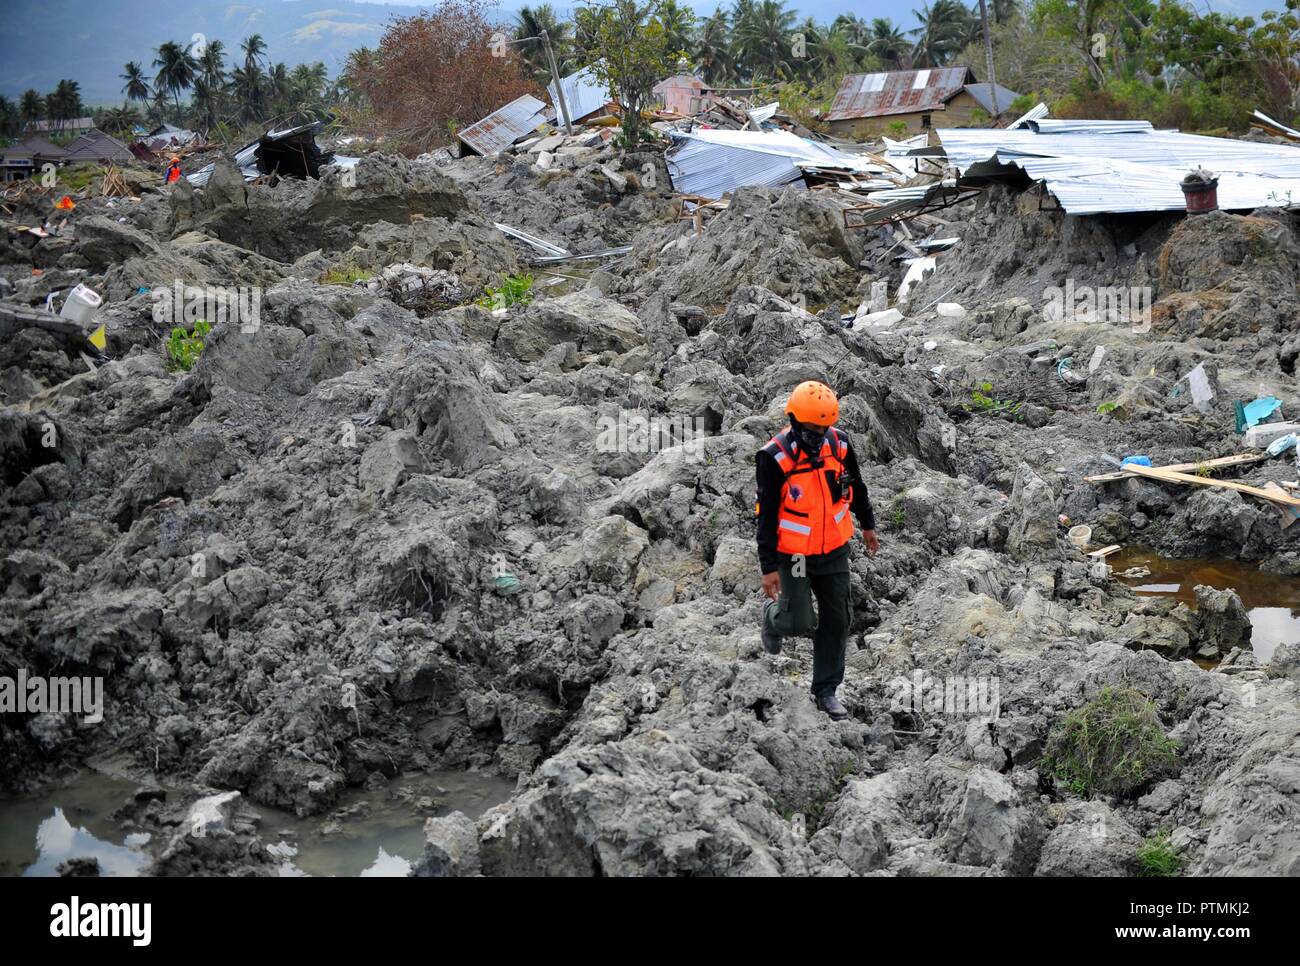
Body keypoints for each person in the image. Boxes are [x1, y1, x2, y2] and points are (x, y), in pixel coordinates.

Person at [755, 380, 879, 720]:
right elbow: (765, 516)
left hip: (834, 550)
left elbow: (857, 485)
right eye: (811, 429)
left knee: (839, 619)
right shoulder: (774, 457)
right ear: (794, 421)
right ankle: (771, 617)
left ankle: (825, 690)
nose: (817, 435)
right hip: (794, 556)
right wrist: (768, 567)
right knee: (798, 621)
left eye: (823, 429)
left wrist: (867, 525)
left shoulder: (838, 445)